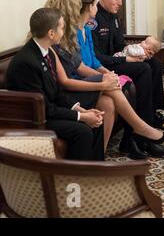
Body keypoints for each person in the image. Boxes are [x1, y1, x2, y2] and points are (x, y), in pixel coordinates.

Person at [46, 0, 164, 159]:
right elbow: (67, 80)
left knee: (113, 98)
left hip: (88, 77)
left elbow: (86, 63)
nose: (119, 2)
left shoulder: (75, 34)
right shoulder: (61, 40)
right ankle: (140, 128)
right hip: (73, 89)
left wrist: (107, 74)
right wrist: (103, 82)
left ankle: (108, 152)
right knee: (135, 75)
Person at [6, 8, 105, 161]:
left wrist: (81, 109)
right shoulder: (26, 62)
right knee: (83, 130)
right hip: (35, 118)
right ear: (51, 33)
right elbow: (45, 108)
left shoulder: (47, 52)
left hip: (47, 111)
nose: (64, 31)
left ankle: (95, 170)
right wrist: (82, 117)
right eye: (62, 28)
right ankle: (75, 180)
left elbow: (57, 92)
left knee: (96, 120)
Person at [90, 0, 164, 133]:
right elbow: (97, 57)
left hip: (117, 59)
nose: (120, 3)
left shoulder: (113, 16)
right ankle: (144, 124)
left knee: (155, 63)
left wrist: (140, 51)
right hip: (105, 65)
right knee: (143, 69)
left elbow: (120, 45)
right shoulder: (93, 20)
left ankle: (153, 111)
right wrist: (126, 59)